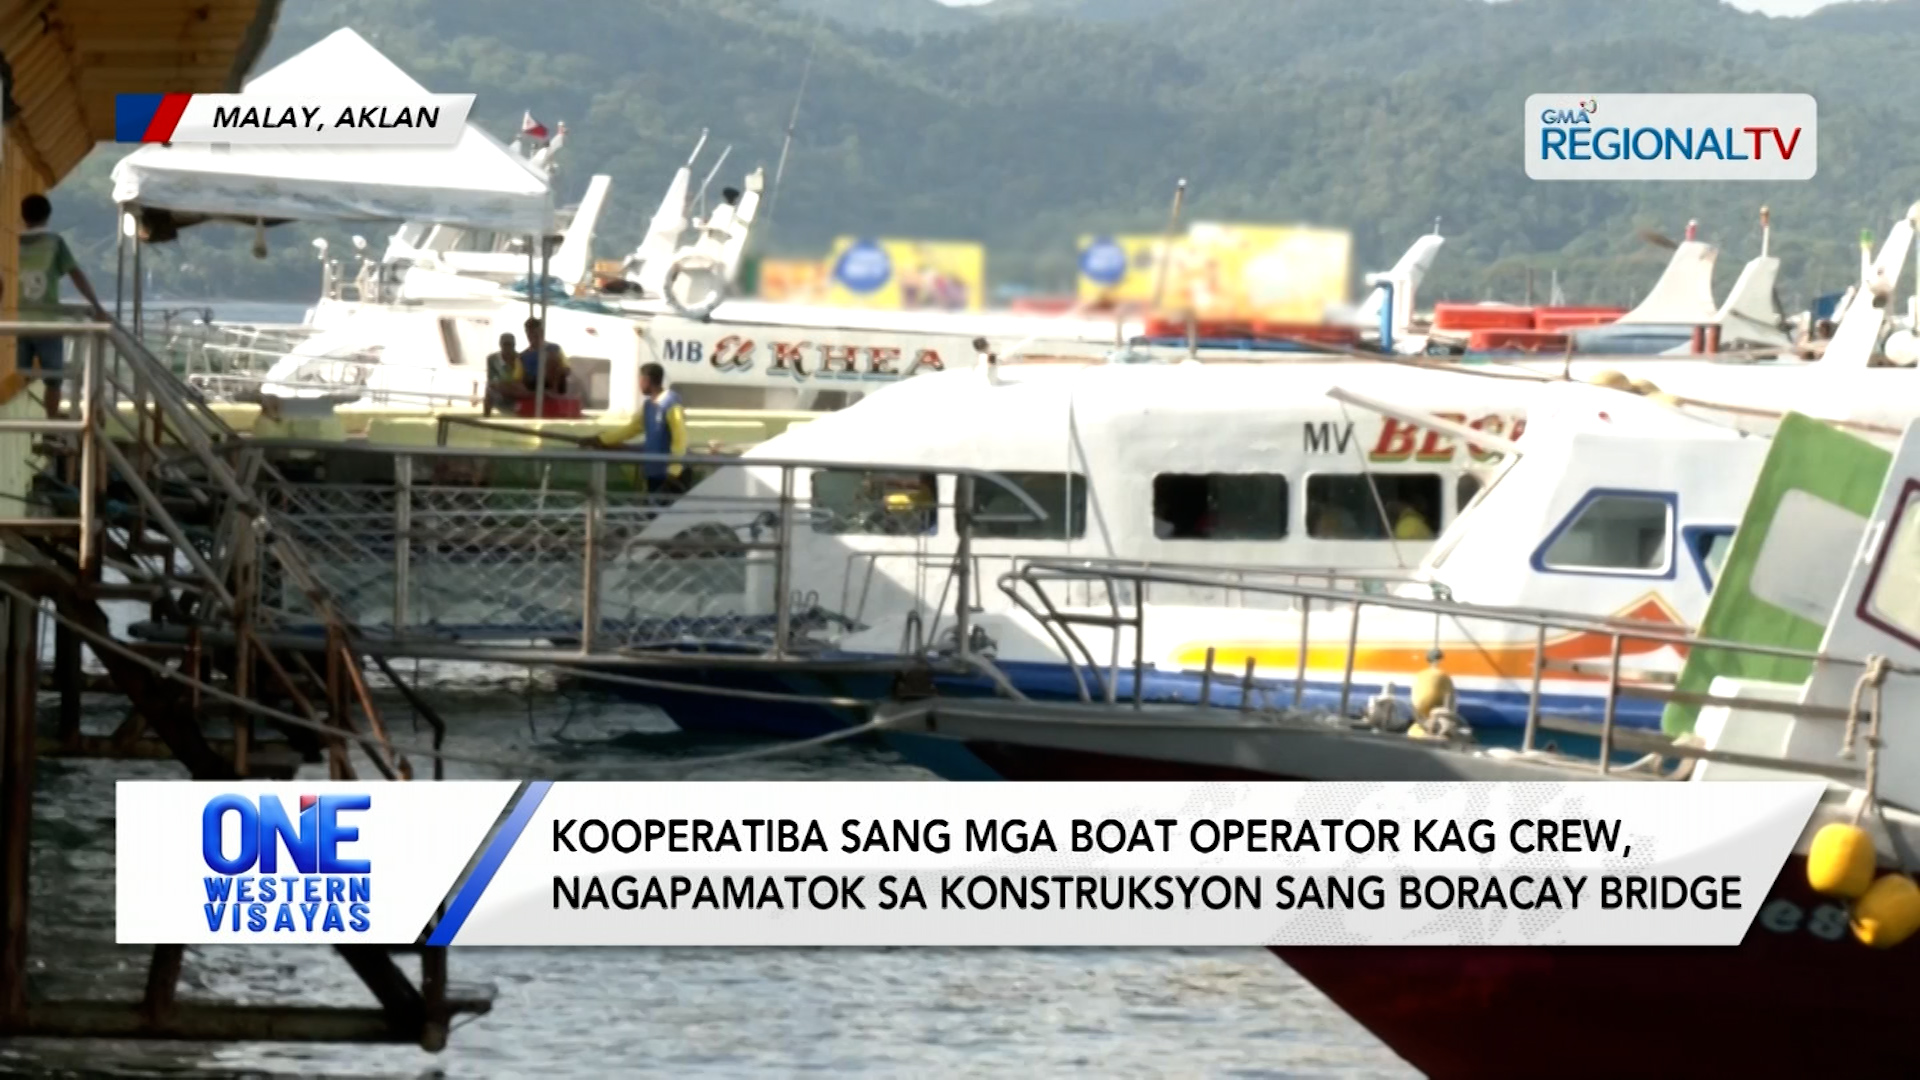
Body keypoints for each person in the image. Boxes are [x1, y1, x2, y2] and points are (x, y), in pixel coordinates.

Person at [17, 194, 106, 418]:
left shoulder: (10, 242)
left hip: (15, 322)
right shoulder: (54, 242)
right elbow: (76, 274)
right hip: (47, 322)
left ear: (22, 215)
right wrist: (96, 306)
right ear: (48, 215)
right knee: (54, 380)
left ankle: (22, 423)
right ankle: (50, 426)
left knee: (18, 376)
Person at [592, 361, 687, 496]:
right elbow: (631, 429)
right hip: (653, 470)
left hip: (668, 474)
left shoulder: (671, 403)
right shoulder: (648, 406)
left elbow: (680, 438)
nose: (639, 385)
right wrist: (602, 439)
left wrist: (674, 469)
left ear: (646, 380)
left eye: (640, 380)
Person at [484, 332, 523, 415]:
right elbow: (491, 379)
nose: (508, 347)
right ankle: (486, 416)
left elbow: (521, 379)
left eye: (510, 344)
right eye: (505, 344)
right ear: (500, 344)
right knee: (489, 390)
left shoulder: (520, 358)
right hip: (500, 388)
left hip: (516, 389)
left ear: (514, 345)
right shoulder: (492, 359)